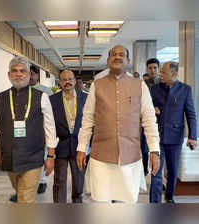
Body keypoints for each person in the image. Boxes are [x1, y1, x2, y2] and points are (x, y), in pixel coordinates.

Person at [76, 45, 160, 203]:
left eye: (122, 54)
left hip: (130, 158)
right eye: (113, 54)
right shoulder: (97, 85)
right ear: (108, 60)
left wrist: (154, 150)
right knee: (101, 203)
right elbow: (87, 119)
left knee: (127, 204)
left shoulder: (139, 85)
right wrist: (81, 147)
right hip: (101, 157)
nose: (117, 57)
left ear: (128, 60)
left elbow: (149, 120)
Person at [0, 56, 58, 203]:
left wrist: (50, 156)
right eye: (14, 71)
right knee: (21, 194)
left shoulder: (42, 97)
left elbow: (50, 128)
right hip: (10, 159)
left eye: (23, 71)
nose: (18, 74)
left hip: (33, 158)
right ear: (9, 75)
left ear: (29, 75)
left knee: (25, 199)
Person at [149, 61, 197, 203]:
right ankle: (154, 203)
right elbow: (147, 107)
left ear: (173, 74)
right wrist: (153, 109)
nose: (160, 74)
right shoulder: (155, 89)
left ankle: (169, 198)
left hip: (175, 138)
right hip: (157, 137)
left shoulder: (185, 90)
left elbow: (191, 114)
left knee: (173, 171)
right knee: (155, 171)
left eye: (163, 72)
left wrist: (192, 137)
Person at [50, 70, 88, 203]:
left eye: (70, 79)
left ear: (75, 80)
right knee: (59, 181)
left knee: (78, 183)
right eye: (64, 79)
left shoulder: (86, 98)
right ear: (60, 82)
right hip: (60, 145)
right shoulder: (52, 100)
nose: (67, 82)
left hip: (80, 146)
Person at [141, 58, 160, 176]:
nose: (152, 70)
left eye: (155, 68)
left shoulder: (163, 85)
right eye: (150, 68)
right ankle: (144, 171)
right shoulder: (143, 85)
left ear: (158, 68)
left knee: (157, 150)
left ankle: (157, 173)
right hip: (145, 122)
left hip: (161, 123)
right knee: (144, 149)